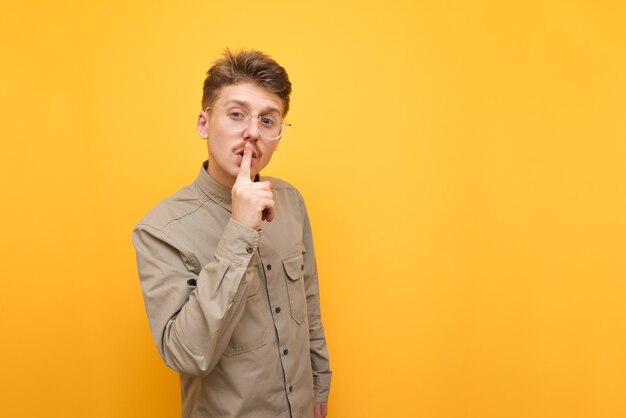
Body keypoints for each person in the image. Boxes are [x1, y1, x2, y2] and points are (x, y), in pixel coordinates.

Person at [131, 49, 331, 418]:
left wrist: (320, 386)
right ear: (204, 123)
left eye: (268, 121)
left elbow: (310, 306)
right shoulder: (160, 230)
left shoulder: (290, 202)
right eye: (237, 114)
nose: (253, 132)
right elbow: (186, 354)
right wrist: (239, 229)